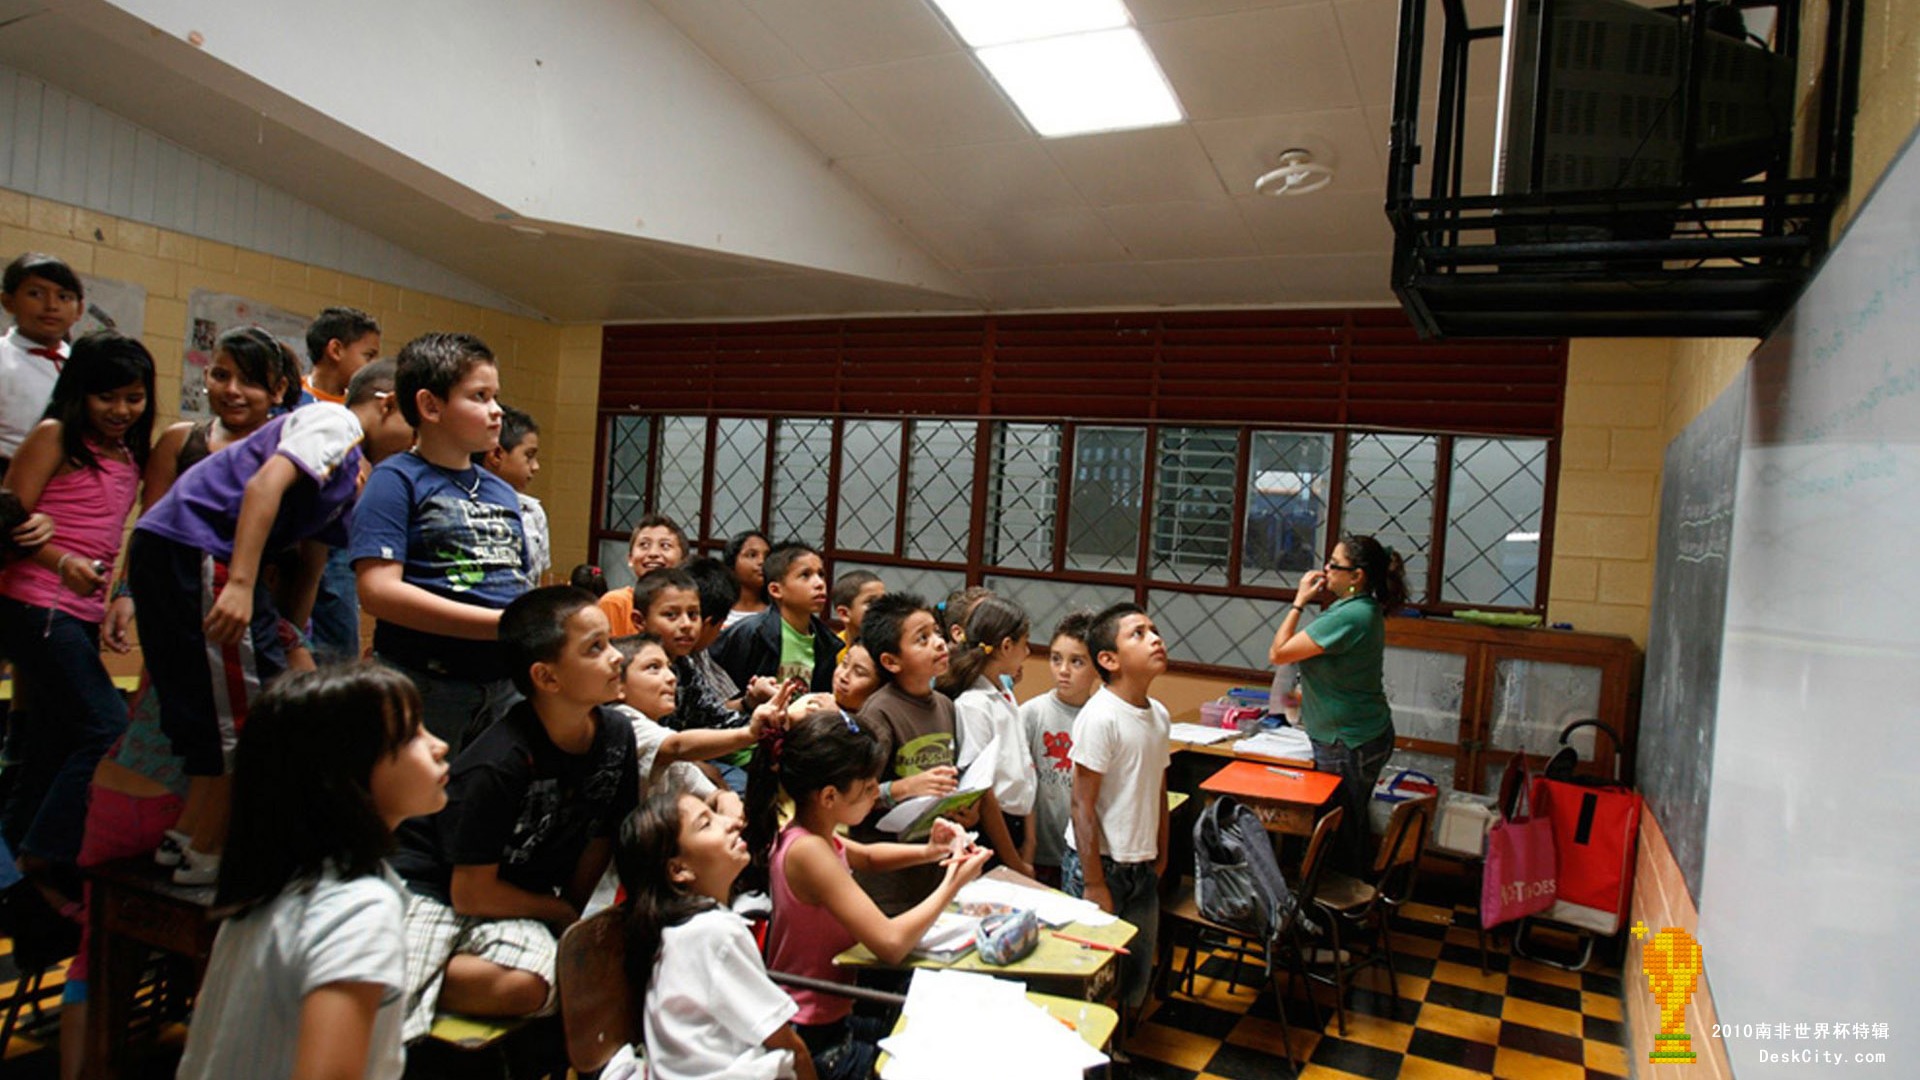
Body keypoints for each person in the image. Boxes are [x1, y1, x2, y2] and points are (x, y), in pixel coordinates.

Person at [129, 359, 410, 884]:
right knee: (242, 712)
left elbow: (315, 557)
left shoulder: (352, 470)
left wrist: (286, 631)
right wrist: (238, 583)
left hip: (190, 554)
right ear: (388, 402)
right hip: (199, 548)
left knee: (213, 702)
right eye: (415, 426)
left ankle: (189, 835)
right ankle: (214, 850)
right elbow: (263, 487)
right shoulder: (336, 424)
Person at [175, 665, 448, 1080]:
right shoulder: (359, 909)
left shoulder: (275, 884)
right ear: (345, 773)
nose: (439, 746)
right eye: (411, 735)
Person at [390, 586, 638, 1042]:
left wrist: (570, 920)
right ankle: (383, 969)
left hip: (512, 897)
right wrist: (555, 909)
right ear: (546, 677)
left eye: (610, 642)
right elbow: (468, 891)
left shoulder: (617, 735)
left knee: (539, 987)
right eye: (595, 648)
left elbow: (602, 835)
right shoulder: (499, 761)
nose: (616, 658)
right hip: (437, 888)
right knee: (393, 1015)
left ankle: (410, 965)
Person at [750, 711, 990, 1080]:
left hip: (827, 1015)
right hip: (812, 1031)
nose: (875, 793)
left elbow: (867, 857)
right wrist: (953, 883)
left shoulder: (810, 832)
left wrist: (932, 851)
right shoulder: (808, 851)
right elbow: (890, 943)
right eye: (867, 789)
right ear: (830, 796)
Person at [0, 332, 153, 883]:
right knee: (105, 726)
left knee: (50, 742)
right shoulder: (53, 436)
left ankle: (13, 873)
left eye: (133, 398)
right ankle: (47, 854)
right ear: (79, 392)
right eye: (106, 397)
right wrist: (59, 559)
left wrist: (122, 597)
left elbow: (120, 534)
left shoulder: (130, 451)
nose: (120, 410)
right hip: (34, 604)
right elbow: (7, 520)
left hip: (79, 612)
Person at [352, 332, 529, 754]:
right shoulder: (396, 480)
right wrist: (498, 624)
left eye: (496, 396)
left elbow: (514, 579)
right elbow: (378, 591)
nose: (496, 411)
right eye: (480, 396)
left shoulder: (501, 491)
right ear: (431, 406)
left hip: (503, 684)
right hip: (427, 683)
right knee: (415, 808)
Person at [616, 788, 816, 1080]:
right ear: (679, 869)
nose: (730, 823)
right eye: (706, 824)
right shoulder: (712, 933)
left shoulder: (682, 930)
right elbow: (791, 1047)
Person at [852, 593, 1023, 914]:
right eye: (922, 639)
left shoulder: (944, 706)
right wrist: (904, 788)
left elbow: (954, 780)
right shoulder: (879, 713)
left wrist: (965, 810)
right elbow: (852, 799)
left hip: (936, 872)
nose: (939, 643)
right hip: (889, 886)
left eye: (936, 633)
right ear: (891, 661)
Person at [1267, 534, 1406, 874]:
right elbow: (1343, 667)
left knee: (1339, 833)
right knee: (1352, 821)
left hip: (1349, 740)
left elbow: (1278, 653)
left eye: (1334, 565)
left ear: (1357, 576)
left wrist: (1299, 601)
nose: (1325, 570)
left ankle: (1344, 907)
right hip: (1365, 730)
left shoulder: (1350, 615)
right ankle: (1352, 902)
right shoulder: (1360, 609)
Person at [1062, 601, 1171, 1013]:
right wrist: (1093, 882)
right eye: (1138, 634)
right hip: (1099, 865)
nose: (1155, 639)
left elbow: (1158, 787)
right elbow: (1082, 804)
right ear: (1108, 659)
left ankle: (1120, 1049)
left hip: (1141, 866)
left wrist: (1161, 852)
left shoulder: (1158, 715)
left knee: (1133, 976)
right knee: (1091, 977)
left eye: (1154, 630)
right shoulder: (1101, 717)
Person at [610, 632, 787, 810]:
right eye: (653, 667)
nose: (671, 677)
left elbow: (708, 792)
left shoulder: (665, 740)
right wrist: (749, 734)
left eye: (669, 668)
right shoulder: (622, 721)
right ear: (618, 685)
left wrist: (723, 799)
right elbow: (677, 746)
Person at [298, 307, 381, 664]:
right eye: (368, 355)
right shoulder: (293, 400)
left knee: (339, 649)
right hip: (296, 537)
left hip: (340, 544)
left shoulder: (365, 408)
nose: (372, 365)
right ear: (335, 349)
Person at [144, 327, 300, 502]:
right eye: (221, 376)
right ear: (206, 376)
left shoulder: (292, 448)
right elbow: (149, 523)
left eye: (249, 380)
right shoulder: (178, 441)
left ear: (279, 389)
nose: (232, 390)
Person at [940, 595, 1036, 852]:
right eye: (1024, 644)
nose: (1027, 653)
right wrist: (1014, 860)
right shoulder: (973, 704)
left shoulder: (1002, 691)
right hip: (992, 829)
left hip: (1014, 823)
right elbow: (982, 789)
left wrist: (1028, 841)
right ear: (1006, 646)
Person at [1019, 611, 1097, 886]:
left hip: (1082, 855)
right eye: (1056, 659)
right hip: (1038, 849)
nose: (1063, 670)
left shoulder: (1100, 718)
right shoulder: (1031, 713)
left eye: (1076, 662)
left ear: (1099, 666)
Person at [710, 542, 840, 693]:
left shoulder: (826, 641)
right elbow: (724, 694)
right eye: (805, 575)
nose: (819, 584)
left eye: (821, 574)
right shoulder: (751, 633)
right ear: (776, 590)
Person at [0, 253, 83, 472]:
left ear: (80, 310)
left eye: (64, 297)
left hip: (70, 484)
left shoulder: (85, 364)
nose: (51, 306)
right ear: (8, 301)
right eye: (35, 294)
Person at [478, 404, 548, 588]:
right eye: (529, 456)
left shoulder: (532, 512)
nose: (535, 467)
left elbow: (536, 580)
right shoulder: (464, 505)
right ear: (496, 454)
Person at [598, 514, 690, 634]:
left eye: (665, 546)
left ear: (683, 559)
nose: (653, 553)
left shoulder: (690, 605)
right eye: (644, 545)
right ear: (630, 558)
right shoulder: (616, 604)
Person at [828, 569, 883, 660]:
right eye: (871, 602)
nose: (881, 607)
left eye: (883, 600)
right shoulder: (831, 650)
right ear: (844, 614)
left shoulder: (891, 649)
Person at [721, 528, 769, 628]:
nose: (762, 561)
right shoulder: (715, 613)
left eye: (767, 556)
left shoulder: (776, 615)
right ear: (732, 562)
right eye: (752, 555)